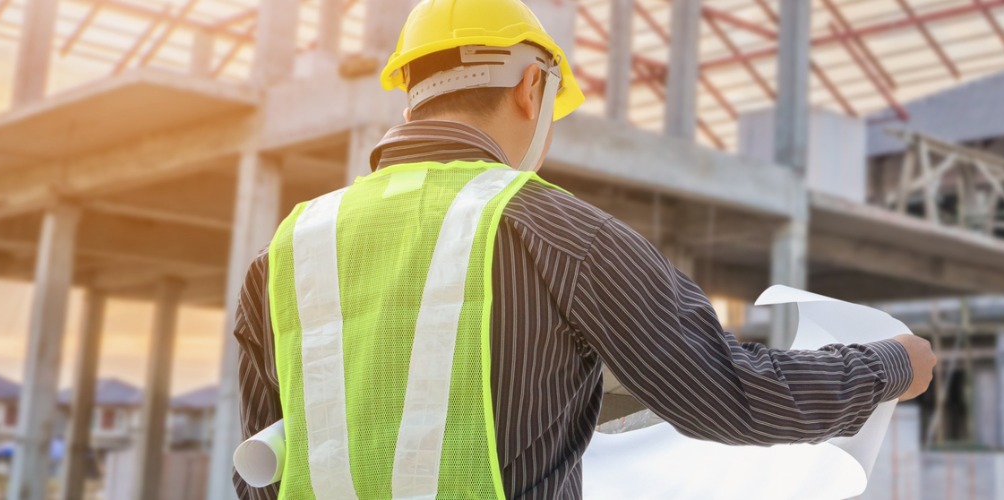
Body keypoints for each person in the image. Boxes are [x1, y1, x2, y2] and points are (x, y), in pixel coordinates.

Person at [229, 0, 935, 497]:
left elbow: (261, 472)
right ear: (531, 88)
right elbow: (730, 395)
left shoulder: (288, 250)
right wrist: (890, 364)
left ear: (409, 94)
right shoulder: (565, 235)